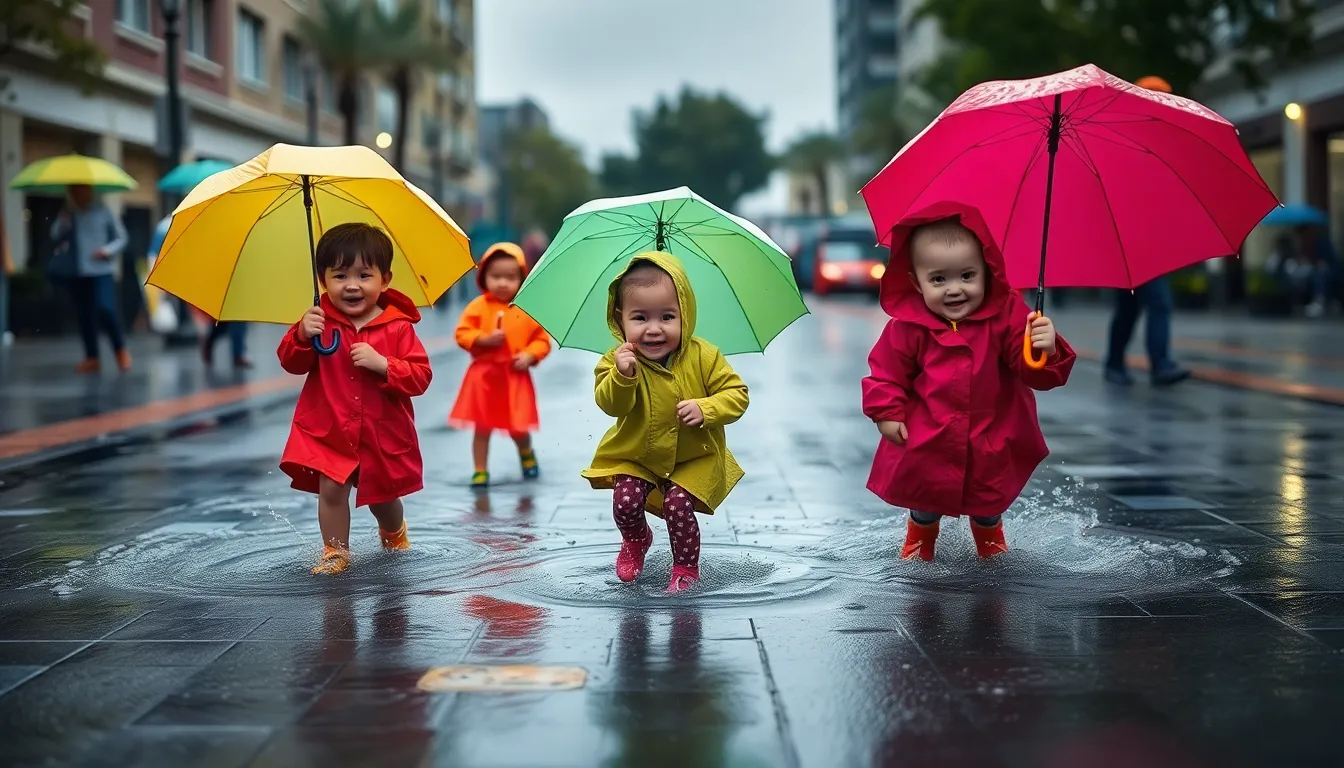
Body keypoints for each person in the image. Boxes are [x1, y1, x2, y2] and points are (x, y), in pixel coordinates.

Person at [862, 201, 1075, 562]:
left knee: (988, 499)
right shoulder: (908, 327)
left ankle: (991, 542)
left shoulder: (1007, 316)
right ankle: (919, 538)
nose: (954, 290)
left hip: (989, 432)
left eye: (967, 276)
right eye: (938, 279)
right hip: (929, 434)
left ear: (987, 272)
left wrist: (1045, 348)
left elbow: (1030, 370)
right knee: (924, 498)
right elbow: (886, 372)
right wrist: (887, 411)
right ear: (916, 281)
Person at [581, 252, 749, 593]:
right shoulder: (617, 360)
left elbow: (738, 394)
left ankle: (685, 566)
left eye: (667, 317)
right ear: (620, 319)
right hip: (638, 453)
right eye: (640, 318)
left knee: (678, 505)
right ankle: (637, 538)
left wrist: (707, 408)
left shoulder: (704, 356)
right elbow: (609, 404)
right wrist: (623, 376)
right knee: (625, 501)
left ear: (685, 315)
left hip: (693, 457)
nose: (654, 329)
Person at [276, 223, 432, 576]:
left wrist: (384, 365)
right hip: (329, 428)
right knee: (330, 488)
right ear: (322, 280)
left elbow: (420, 376)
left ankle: (394, 531)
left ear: (385, 279)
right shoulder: (318, 321)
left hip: (381, 433)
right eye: (340, 275)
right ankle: (335, 551)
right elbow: (291, 362)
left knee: (384, 499)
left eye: (364, 275)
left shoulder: (398, 327)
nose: (351, 285)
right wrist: (301, 334)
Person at [1104, 75, 1190, 387]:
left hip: (1148, 239)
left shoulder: (1162, 139)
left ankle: (1114, 363)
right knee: (1156, 303)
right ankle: (1159, 365)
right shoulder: (1126, 138)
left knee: (1129, 308)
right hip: (1128, 240)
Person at [449, 242, 551, 488]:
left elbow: (542, 340)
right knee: (482, 427)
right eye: (496, 276)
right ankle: (480, 470)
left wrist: (529, 355)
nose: (503, 283)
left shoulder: (526, 309)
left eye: (510, 277)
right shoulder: (478, 307)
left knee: (518, 427)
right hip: (484, 377)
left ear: (521, 279)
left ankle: (526, 454)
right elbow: (462, 333)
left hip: (514, 376)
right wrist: (482, 339)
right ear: (484, 277)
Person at [48, 184, 131, 373]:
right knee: (84, 315)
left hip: (101, 271)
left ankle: (120, 351)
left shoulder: (103, 212)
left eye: (81, 191)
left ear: (89, 192)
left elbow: (122, 238)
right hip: (77, 271)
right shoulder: (70, 215)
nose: (78, 195)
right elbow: (54, 235)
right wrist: (62, 220)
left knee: (106, 309)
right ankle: (92, 357)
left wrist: (106, 251)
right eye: (74, 192)